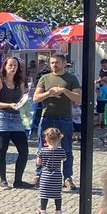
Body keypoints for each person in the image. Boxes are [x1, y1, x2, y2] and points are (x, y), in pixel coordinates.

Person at [32, 54, 80, 191]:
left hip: (65, 118)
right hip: (47, 117)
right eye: (52, 63)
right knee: (43, 148)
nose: (54, 65)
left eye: (57, 62)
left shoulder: (71, 78)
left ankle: (67, 178)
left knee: (67, 149)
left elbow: (79, 99)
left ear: (64, 63)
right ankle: (39, 175)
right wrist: (49, 94)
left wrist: (64, 90)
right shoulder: (45, 78)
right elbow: (36, 98)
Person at [0, 57, 31, 189]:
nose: (13, 68)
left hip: (16, 118)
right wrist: (9, 105)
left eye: (15, 66)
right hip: (2, 117)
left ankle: (18, 180)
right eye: (10, 65)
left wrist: (24, 104)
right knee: (2, 150)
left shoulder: (20, 83)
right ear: (5, 67)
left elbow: (21, 101)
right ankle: (3, 180)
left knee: (24, 150)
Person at [36, 128, 66, 214]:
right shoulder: (61, 151)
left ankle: (43, 211)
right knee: (57, 194)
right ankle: (58, 211)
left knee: (44, 194)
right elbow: (64, 159)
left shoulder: (42, 150)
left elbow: (38, 162)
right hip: (57, 175)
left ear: (46, 139)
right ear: (59, 139)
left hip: (46, 175)